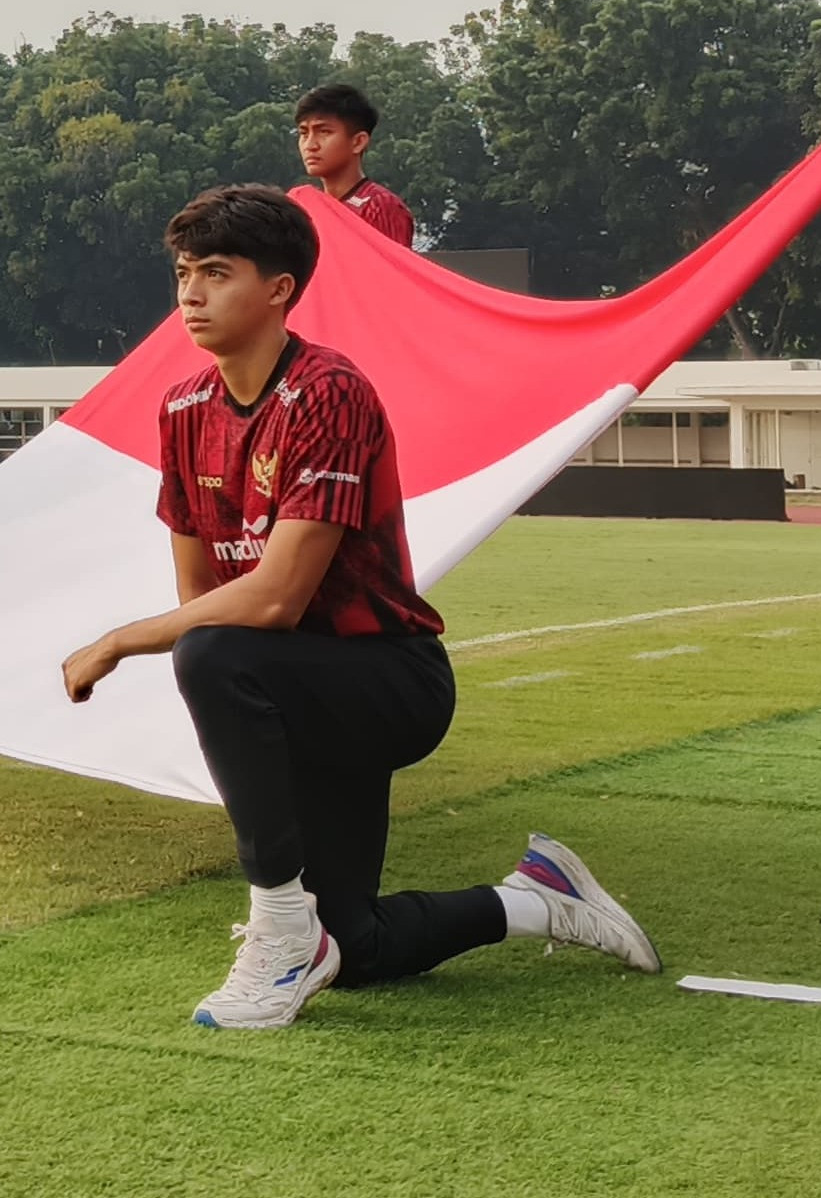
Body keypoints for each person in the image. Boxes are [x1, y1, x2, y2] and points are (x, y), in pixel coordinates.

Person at [60, 186, 655, 1029]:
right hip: (289, 685)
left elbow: (274, 597)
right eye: (184, 272)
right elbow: (203, 595)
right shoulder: (183, 408)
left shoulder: (330, 391)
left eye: (217, 273)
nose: (190, 294)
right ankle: (536, 900)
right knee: (357, 948)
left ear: (280, 289)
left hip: (385, 680)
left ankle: (278, 922)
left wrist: (119, 641)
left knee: (209, 655)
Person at [292, 82, 420, 250]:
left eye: (324, 132)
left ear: (358, 142)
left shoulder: (379, 206)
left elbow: (392, 273)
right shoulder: (303, 210)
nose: (310, 145)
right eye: (304, 133)